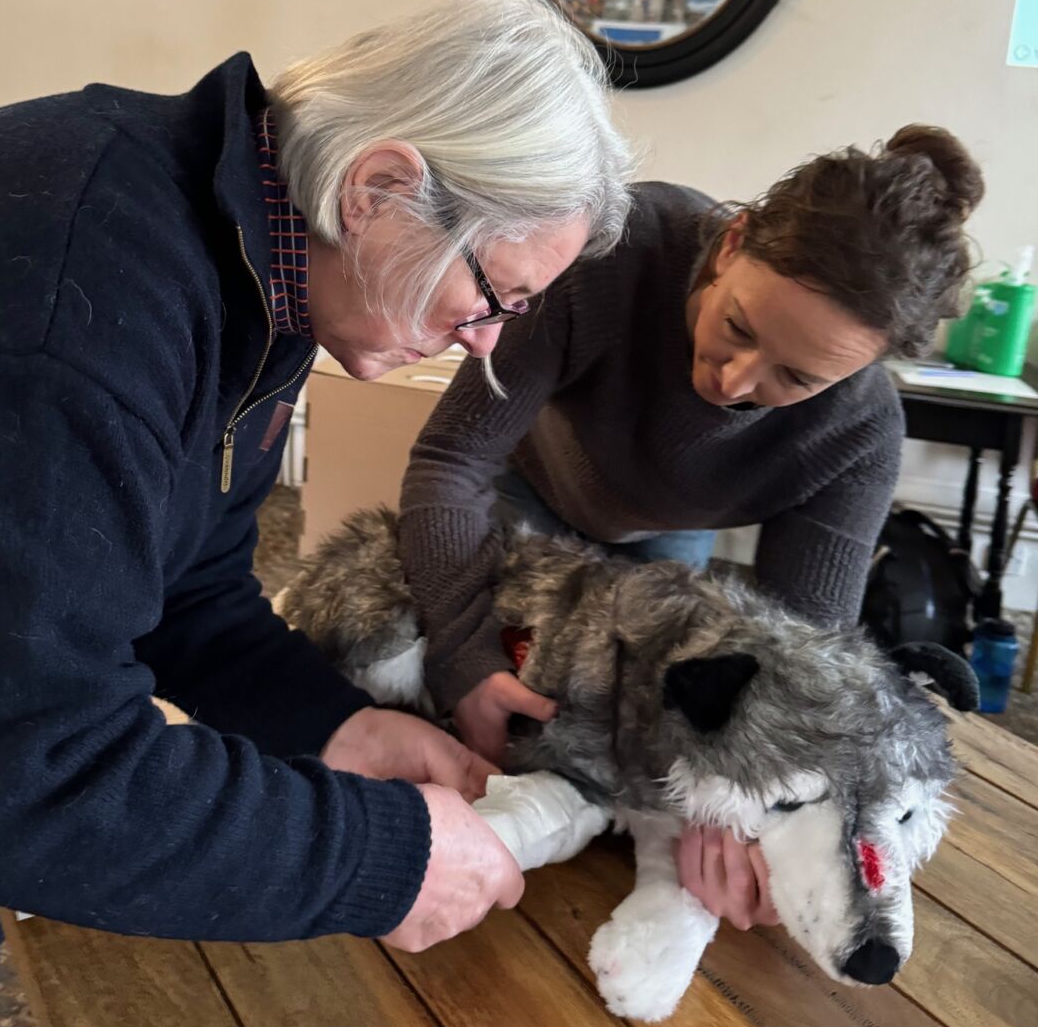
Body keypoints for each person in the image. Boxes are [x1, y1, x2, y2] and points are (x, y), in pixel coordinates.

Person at [0, 0, 633, 1027]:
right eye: (494, 294)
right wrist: (381, 857)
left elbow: (191, 578)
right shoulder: (86, 309)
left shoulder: (263, 257)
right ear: (378, 188)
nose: (487, 341)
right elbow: (17, 777)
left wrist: (335, 725)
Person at [399, 125, 985, 933]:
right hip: (520, 489)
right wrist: (462, 650)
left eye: (797, 377)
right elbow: (449, 463)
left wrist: (741, 797)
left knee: (631, 747)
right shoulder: (613, 249)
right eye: (740, 327)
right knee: (466, 713)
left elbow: (795, 658)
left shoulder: (857, 436)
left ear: (859, 373)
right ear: (733, 241)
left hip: (662, 543)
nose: (735, 382)